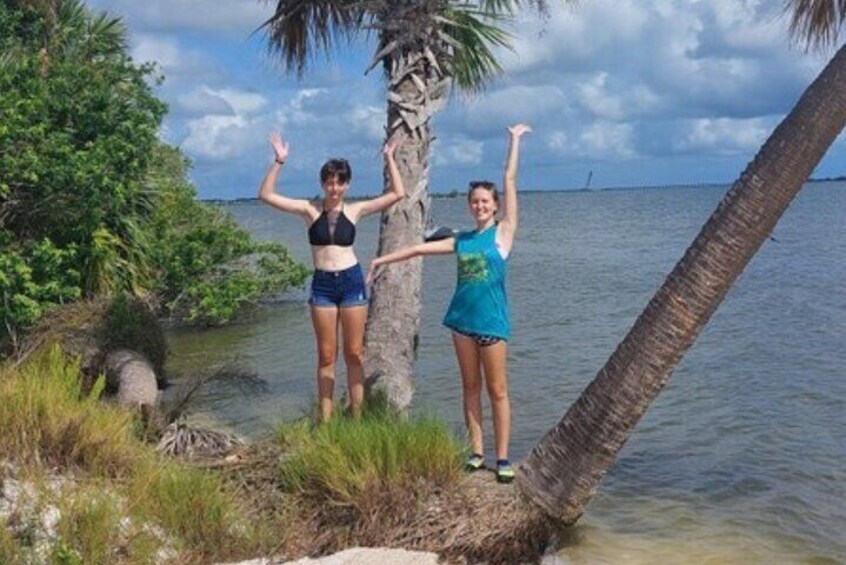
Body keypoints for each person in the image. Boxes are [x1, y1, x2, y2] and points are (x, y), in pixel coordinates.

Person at [367, 123, 531, 483]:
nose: (479, 206)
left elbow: (510, 178)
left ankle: (502, 458)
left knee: (498, 391)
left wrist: (514, 141)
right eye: (475, 202)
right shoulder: (463, 239)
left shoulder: (503, 234)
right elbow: (420, 248)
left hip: (492, 324)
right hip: (461, 322)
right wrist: (381, 260)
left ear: (495, 206)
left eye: (485, 201)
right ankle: (476, 452)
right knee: (470, 387)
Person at [259, 132, 405, 423]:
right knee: (326, 357)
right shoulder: (309, 210)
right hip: (323, 286)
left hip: (351, 283)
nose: (334, 187)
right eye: (329, 181)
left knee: (354, 354)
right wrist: (279, 161)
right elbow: (266, 195)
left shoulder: (355, 209)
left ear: (347, 184)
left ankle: (357, 417)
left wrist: (389, 157)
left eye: (339, 181)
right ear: (322, 183)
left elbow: (397, 194)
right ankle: (325, 421)